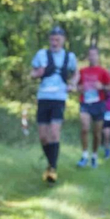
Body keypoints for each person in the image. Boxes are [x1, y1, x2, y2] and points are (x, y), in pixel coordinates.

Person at [29, 25, 78, 184]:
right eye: (52, 39)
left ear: (63, 40)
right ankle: (50, 163)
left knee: (55, 133)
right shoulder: (41, 55)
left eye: (57, 39)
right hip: (43, 98)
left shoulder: (69, 57)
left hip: (59, 98)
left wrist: (72, 84)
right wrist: (38, 73)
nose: (54, 42)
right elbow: (32, 73)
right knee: (43, 136)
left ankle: (52, 168)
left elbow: (76, 73)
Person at [75, 46, 110, 169]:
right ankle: (84, 155)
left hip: (99, 104)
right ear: (87, 57)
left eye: (94, 54)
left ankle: (94, 156)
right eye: (90, 54)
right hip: (85, 103)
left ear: (97, 56)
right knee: (85, 128)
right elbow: (75, 87)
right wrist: (78, 89)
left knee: (97, 133)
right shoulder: (82, 71)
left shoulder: (103, 72)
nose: (92, 57)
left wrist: (102, 86)